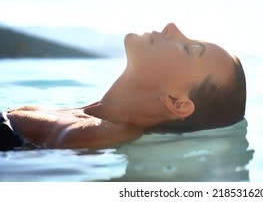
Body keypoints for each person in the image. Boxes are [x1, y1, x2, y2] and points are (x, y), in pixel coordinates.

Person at [1, 23, 246, 151]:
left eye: (189, 48)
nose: (171, 27)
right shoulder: (83, 116)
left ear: (177, 102)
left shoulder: (104, 133)